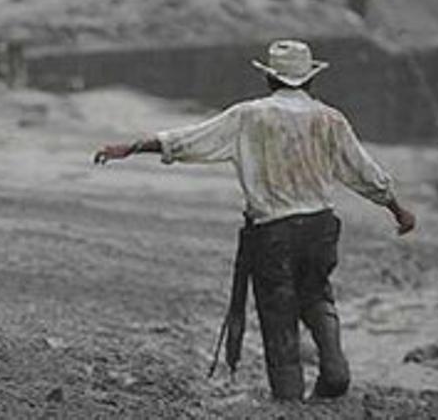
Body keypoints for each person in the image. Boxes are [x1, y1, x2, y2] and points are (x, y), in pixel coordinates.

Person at [93, 39, 416, 401]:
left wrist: (131, 147)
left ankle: (289, 397)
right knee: (317, 294)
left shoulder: (249, 116)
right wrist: (396, 208)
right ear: (310, 81)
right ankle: (334, 365)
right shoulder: (331, 119)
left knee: (278, 311)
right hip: (321, 227)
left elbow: (187, 141)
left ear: (269, 80)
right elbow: (363, 171)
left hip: (272, 230)